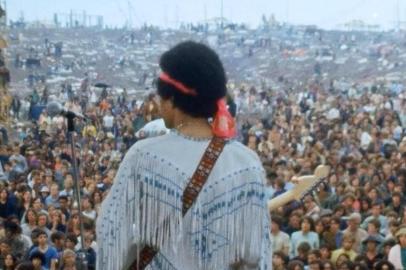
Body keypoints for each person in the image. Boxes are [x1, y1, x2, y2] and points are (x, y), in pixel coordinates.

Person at [96, 41, 271, 269]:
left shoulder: (143, 156)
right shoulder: (247, 163)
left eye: (161, 98)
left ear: (172, 99)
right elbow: (257, 253)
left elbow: (112, 233)